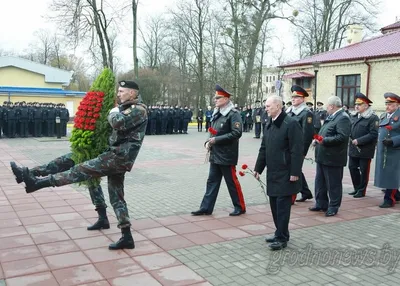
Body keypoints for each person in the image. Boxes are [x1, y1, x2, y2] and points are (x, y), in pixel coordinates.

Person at [11, 80, 148, 250]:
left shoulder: (139, 110)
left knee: (79, 170)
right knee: (116, 196)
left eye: (122, 91)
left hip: (118, 158)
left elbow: (117, 122)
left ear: (133, 93)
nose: (118, 94)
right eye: (118, 91)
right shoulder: (128, 108)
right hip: (117, 157)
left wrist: (112, 111)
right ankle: (127, 237)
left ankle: (38, 183)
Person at [254, 95, 303, 251]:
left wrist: (295, 172)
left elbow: (297, 150)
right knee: (274, 205)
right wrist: (258, 168)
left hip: (286, 172)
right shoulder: (269, 123)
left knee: (282, 207)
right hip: (273, 172)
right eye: (266, 106)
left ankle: (282, 238)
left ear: (278, 106)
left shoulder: (291, 124)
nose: (266, 109)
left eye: (268, 106)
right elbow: (264, 148)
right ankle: (280, 232)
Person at [191, 84, 246, 216]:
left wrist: (216, 140)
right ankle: (206, 207)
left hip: (227, 155)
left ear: (226, 99)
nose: (215, 100)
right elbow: (211, 130)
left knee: (231, 182)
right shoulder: (217, 113)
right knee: (211, 182)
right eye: (215, 97)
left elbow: (237, 133)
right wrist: (207, 141)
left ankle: (240, 207)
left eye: (218, 98)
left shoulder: (233, 114)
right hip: (215, 154)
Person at [309, 96, 351, 217]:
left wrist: (323, 140)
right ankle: (321, 203)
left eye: (327, 106)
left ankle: (333, 206)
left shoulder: (343, 118)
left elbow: (342, 137)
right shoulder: (332, 116)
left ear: (332, 106)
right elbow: (324, 131)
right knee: (320, 182)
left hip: (333, 158)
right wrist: (316, 139)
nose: (326, 108)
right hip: (323, 156)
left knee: (333, 184)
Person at [285, 85, 314, 203]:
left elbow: (307, 135)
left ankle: (291, 197)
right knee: (295, 170)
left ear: (303, 99)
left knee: (294, 170)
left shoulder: (306, 113)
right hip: (288, 147)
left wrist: (302, 151)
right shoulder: (290, 111)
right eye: (293, 97)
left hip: (298, 148)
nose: (293, 99)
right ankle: (305, 192)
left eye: (297, 97)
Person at [348, 93, 379, 198]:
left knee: (364, 170)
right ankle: (356, 188)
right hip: (353, 148)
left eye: (359, 104)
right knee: (352, 168)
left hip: (365, 149)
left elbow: (373, 134)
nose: (356, 106)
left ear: (366, 106)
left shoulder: (372, 118)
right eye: (356, 104)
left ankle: (361, 190)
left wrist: (360, 140)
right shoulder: (354, 116)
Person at [374, 92, 400, 208]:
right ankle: (397, 194)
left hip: (395, 151)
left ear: (397, 105)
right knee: (386, 175)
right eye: (386, 103)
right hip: (383, 151)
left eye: (390, 104)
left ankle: (389, 199)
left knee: (392, 175)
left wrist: (393, 140)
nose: (387, 106)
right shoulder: (384, 115)